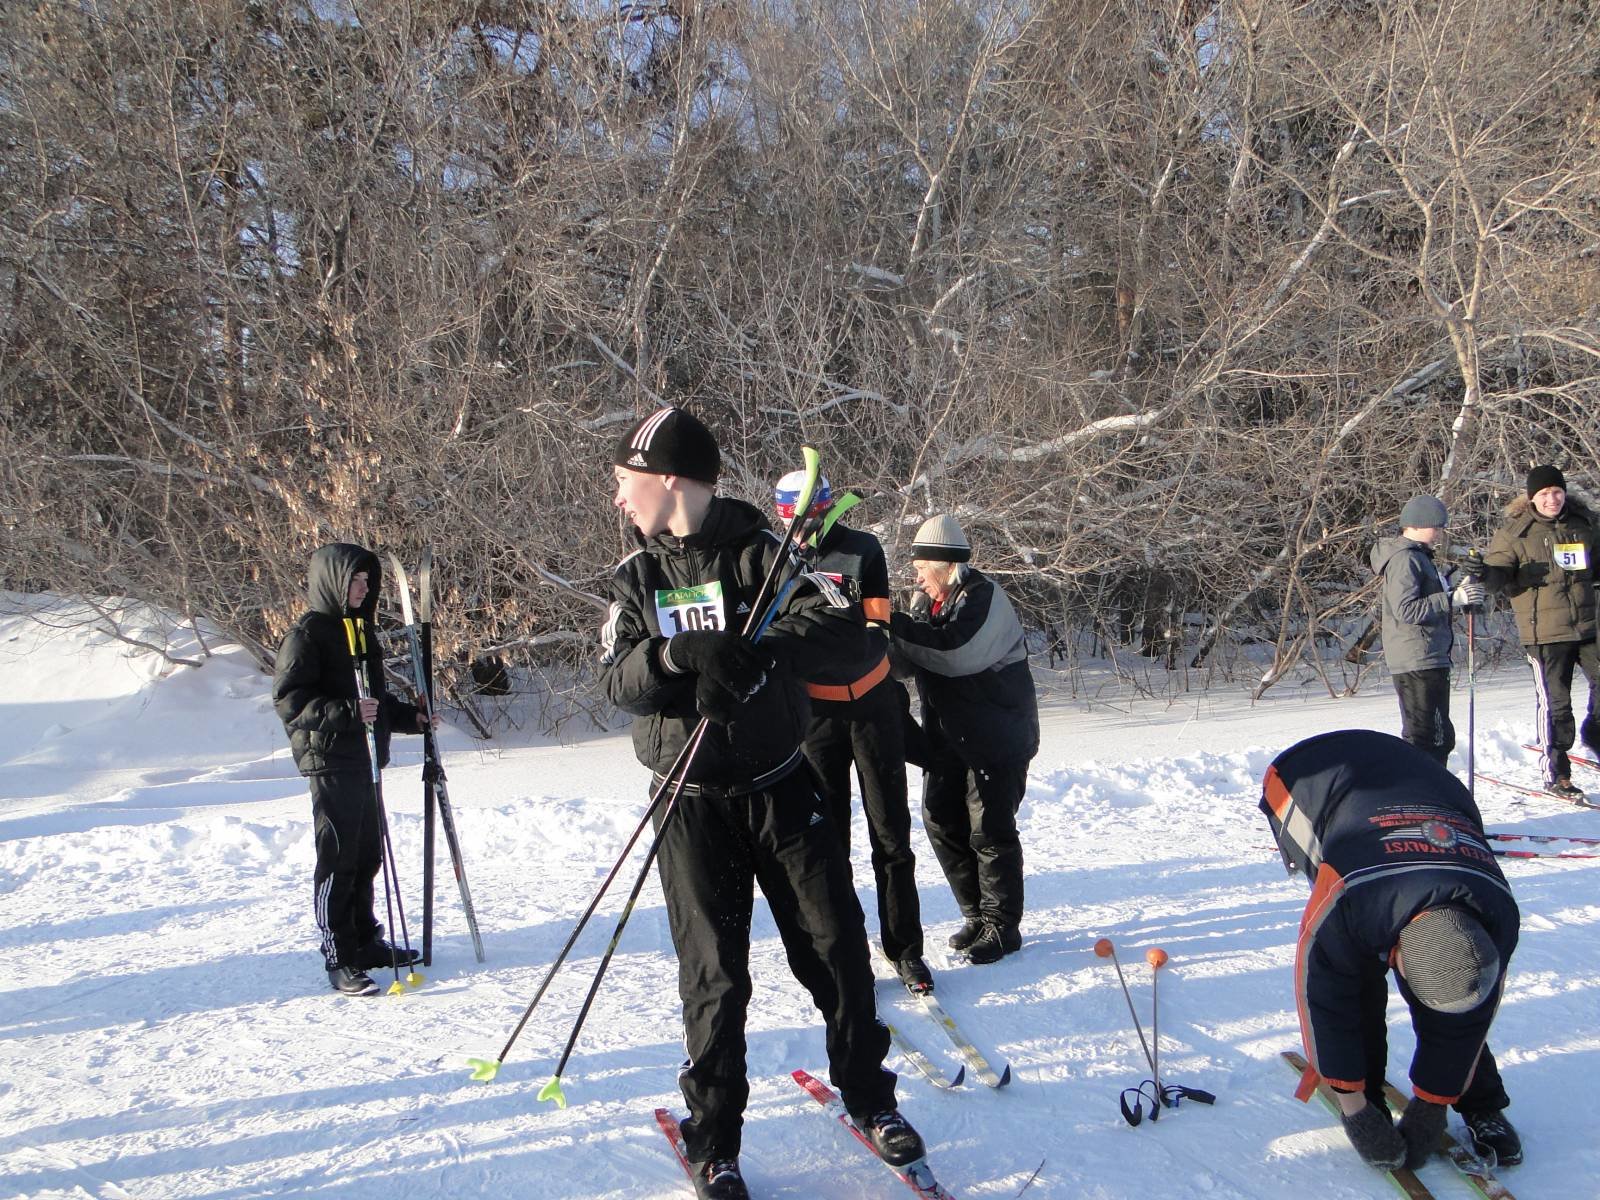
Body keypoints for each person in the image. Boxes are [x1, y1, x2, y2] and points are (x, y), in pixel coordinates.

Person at [600, 407, 923, 1200]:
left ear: (667, 479)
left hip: (781, 784)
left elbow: (844, 626)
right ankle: (715, 1140)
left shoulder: (764, 558)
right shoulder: (638, 578)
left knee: (838, 949)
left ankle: (871, 1097)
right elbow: (617, 679)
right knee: (715, 978)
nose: (619, 500)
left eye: (625, 482)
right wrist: (684, 651)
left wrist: (760, 651)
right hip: (692, 801)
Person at [1261, 729, 1522, 1171]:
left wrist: (1432, 1104)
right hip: (1309, 779)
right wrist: (1355, 1107)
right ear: (1397, 954)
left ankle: (1480, 1102)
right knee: (1355, 976)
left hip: (1428, 787)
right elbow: (1325, 999)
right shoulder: (1346, 902)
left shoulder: (1498, 914)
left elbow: (1471, 1014)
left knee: (1458, 992)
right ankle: (1370, 1094)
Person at [771, 470, 930, 995]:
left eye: (805, 516)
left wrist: (841, 639)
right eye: (787, 518)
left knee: (891, 834)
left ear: (824, 508)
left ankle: (905, 950)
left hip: (872, 706)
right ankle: (845, 950)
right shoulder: (775, 559)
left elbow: (877, 629)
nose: (796, 527)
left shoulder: (862, 550)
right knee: (827, 840)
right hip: (816, 717)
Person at [272, 543, 427, 997]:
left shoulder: (359, 629)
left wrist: (409, 719)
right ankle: (338, 955)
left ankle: (364, 941)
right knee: (338, 858)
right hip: (330, 760)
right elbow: (289, 701)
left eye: (366, 580)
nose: (362, 588)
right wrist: (346, 712)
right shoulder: (309, 632)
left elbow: (373, 702)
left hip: (363, 760)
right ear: (333, 582)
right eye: (354, 580)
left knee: (367, 855)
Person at [890, 515, 1038, 965]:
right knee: (939, 819)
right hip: (950, 737)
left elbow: (954, 653)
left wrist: (891, 623)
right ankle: (976, 914)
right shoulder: (927, 603)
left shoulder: (984, 598)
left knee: (989, 831)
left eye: (921, 567)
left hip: (997, 737)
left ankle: (1002, 927)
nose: (915, 576)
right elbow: (908, 661)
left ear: (944, 564)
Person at [1480, 465, 1600, 800]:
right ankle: (1558, 774)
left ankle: (1594, 733)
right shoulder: (1516, 531)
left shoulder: (1583, 522)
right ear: (1532, 497)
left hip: (1588, 626)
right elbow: (1497, 580)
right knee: (1556, 705)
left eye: (1557, 492)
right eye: (1544, 494)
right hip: (1544, 632)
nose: (1552, 499)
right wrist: (1486, 573)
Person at [1370, 495, 1484, 765]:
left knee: (1437, 735)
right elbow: (1406, 610)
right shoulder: (1405, 560)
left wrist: (1460, 592)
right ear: (1419, 524)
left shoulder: (1419, 558)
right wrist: (1451, 599)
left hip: (1427, 655)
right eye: (1437, 526)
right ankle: (1421, 796)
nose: (1440, 534)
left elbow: (1429, 600)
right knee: (1428, 737)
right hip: (1417, 658)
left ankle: (1427, 793)